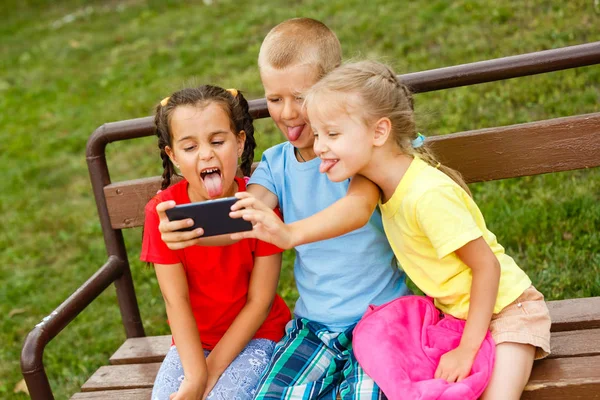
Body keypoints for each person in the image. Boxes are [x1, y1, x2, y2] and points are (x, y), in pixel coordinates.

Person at [231, 61, 552, 400]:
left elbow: (488, 266)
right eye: (319, 133)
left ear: (379, 132)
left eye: (333, 134)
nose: (320, 146)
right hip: (458, 318)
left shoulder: (426, 195)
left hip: (509, 313)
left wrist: (466, 349)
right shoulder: (383, 186)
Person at [157, 18, 409, 399]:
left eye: (300, 97)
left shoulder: (356, 155)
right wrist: (190, 232)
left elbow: (356, 210)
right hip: (312, 327)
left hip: (381, 318)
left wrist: (290, 233)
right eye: (275, 100)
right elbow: (242, 218)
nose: (288, 113)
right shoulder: (276, 164)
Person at [141, 85, 290, 400]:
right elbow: (175, 301)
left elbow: (259, 303)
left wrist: (209, 376)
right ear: (174, 156)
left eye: (217, 141)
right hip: (193, 344)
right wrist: (195, 375)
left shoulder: (259, 203)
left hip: (258, 336)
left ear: (239, 142)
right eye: (190, 146)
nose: (206, 153)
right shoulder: (163, 214)